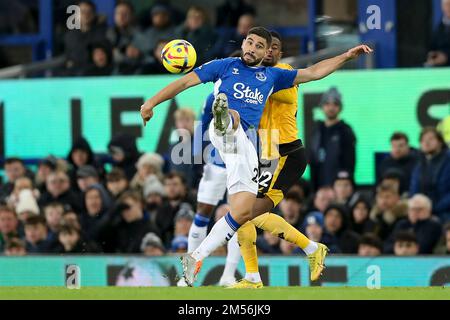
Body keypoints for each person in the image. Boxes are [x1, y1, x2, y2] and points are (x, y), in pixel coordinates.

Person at [140, 26, 372, 286]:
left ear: (266, 52)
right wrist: (150, 103)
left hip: (250, 149)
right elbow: (183, 82)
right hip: (228, 135)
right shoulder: (224, 66)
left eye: (259, 46)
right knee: (233, 121)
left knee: (240, 214)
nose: (252, 48)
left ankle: (196, 258)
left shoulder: (273, 76)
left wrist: (346, 56)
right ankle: (224, 116)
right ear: (243, 43)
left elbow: (314, 72)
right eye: (249, 42)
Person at [308, 87, 357, 190]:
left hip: (338, 189)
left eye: (335, 104)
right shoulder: (317, 131)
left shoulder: (346, 131)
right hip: (319, 189)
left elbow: (349, 164)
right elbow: (312, 159)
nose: (331, 108)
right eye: (327, 104)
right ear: (322, 107)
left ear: (340, 108)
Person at [410, 127, 450, 223]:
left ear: (440, 142)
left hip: (444, 212)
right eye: (423, 140)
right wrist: (418, 207)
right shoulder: (419, 163)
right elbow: (413, 190)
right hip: (421, 211)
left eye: (431, 139)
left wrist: (432, 208)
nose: (426, 143)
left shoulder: (448, 161)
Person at [62, 0, 108, 76]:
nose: (86, 15)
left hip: (94, 74)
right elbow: (68, 57)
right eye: (82, 12)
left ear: (94, 14)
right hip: (72, 74)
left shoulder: (103, 33)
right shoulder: (70, 35)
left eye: (89, 12)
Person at [106, 1, 139, 74]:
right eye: (118, 13)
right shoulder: (107, 34)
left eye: (125, 14)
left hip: (135, 73)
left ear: (132, 15)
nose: (121, 17)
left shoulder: (140, 34)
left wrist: (139, 54)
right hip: (111, 73)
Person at [424, 0, 450, 67]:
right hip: (439, 69)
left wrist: (446, 57)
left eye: (449, 4)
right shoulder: (439, 27)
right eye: (446, 5)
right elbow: (432, 46)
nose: (448, 7)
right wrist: (433, 55)